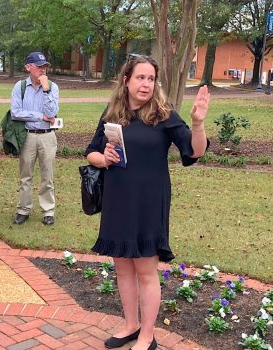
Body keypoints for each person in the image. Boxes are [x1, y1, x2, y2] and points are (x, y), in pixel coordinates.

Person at [85, 54, 210, 350]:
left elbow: (195, 152)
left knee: (144, 269)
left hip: (148, 203)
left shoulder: (164, 114)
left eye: (151, 79)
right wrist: (104, 159)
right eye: (140, 78)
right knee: (123, 267)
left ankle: (147, 334)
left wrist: (197, 124)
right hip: (117, 201)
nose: (146, 84)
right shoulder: (113, 112)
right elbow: (91, 152)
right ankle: (130, 324)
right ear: (126, 80)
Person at [11, 52, 59, 226]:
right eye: (39, 66)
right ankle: (23, 209)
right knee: (25, 176)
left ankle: (48, 211)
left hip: (47, 137)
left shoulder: (52, 87)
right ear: (28, 67)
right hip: (28, 136)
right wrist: (40, 116)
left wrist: (46, 90)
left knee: (48, 176)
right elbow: (16, 113)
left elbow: (52, 113)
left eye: (44, 66)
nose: (43, 70)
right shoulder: (20, 86)